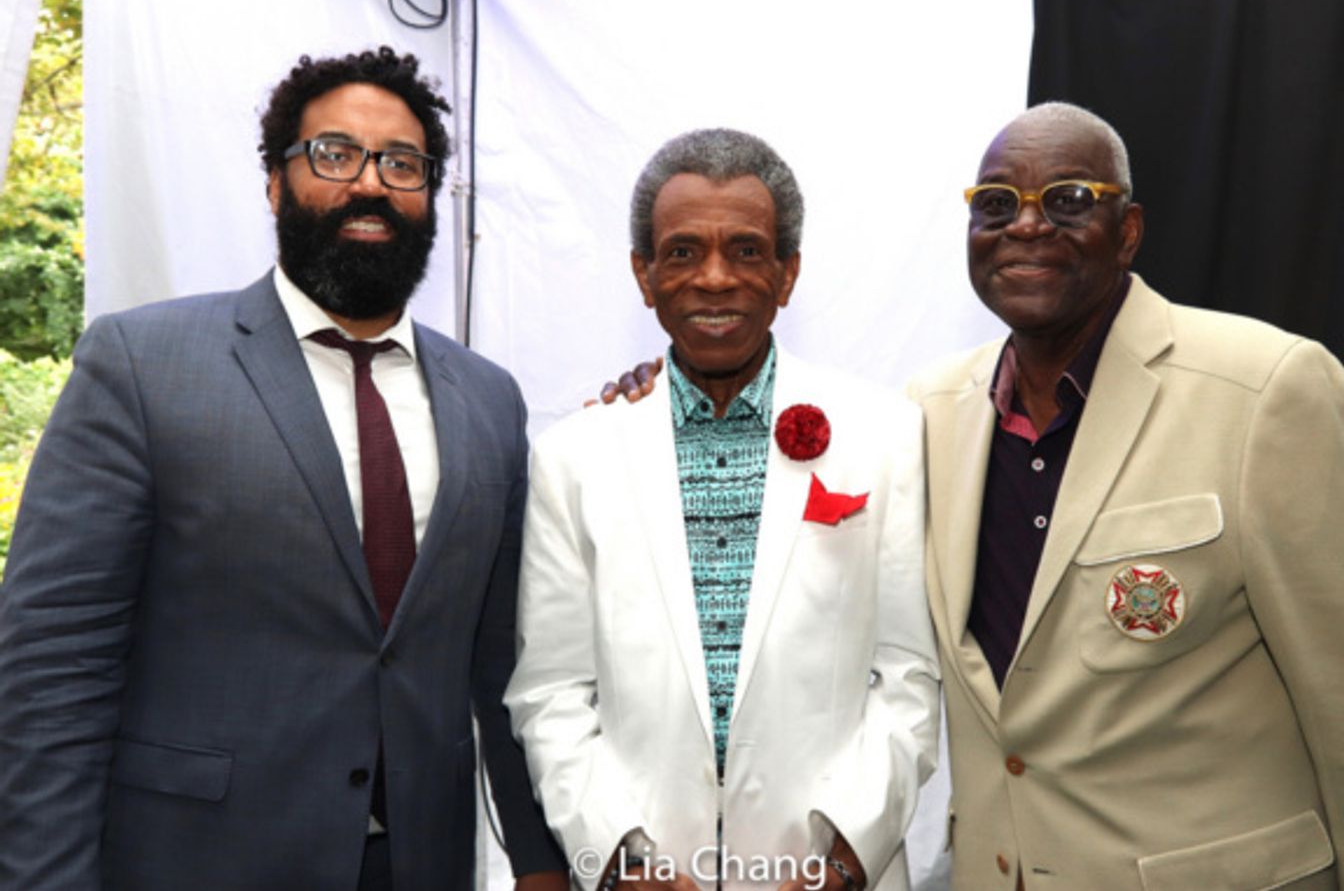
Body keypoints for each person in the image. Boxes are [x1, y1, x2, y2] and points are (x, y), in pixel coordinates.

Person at [0, 47, 565, 891]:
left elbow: (501, 664)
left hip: (418, 864)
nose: (370, 183)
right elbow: (53, 665)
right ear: (276, 182)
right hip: (196, 862)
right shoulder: (143, 363)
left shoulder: (490, 400)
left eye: (401, 163)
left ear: (430, 195)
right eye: (334, 154)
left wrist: (538, 859)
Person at [906, 101, 1344, 889]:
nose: (1025, 226)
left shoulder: (1270, 391)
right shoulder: (923, 415)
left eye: (1068, 198)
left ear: (1128, 231)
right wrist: (646, 401)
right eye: (996, 204)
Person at [504, 129, 940, 891]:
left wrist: (845, 857)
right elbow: (550, 690)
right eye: (681, 252)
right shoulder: (572, 455)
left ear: (787, 273)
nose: (713, 278)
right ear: (643, 275)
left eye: (745, 250)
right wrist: (617, 856)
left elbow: (908, 672)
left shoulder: (886, 435)